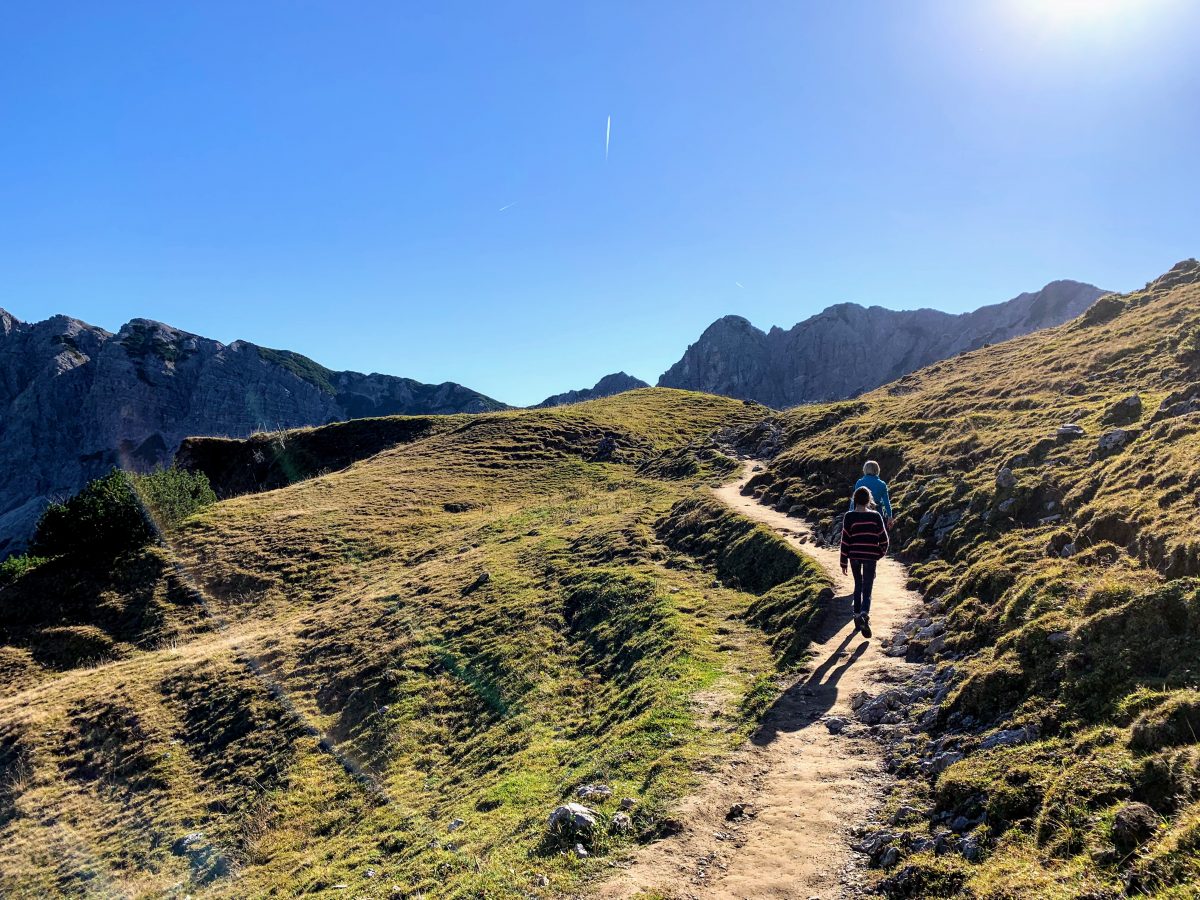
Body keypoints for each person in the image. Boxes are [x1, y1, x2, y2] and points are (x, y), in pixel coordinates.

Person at [840, 485, 889, 637]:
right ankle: (864, 614)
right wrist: (878, 554)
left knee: (858, 585)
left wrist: (843, 561)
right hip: (870, 557)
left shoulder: (849, 516)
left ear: (854, 500)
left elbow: (845, 540)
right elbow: (884, 540)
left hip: (854, 556)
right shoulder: (875, 516)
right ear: (869, 500)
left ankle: (856, 616)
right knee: (867, 588)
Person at [849, 460, 894, 530]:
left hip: (861, 514)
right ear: (877, 470)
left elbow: (854, 501)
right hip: (877, 513)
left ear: (865, 470)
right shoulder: (882, 484)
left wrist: (850, 513)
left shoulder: (859, 482)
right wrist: (890, 517)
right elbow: (886, 502)